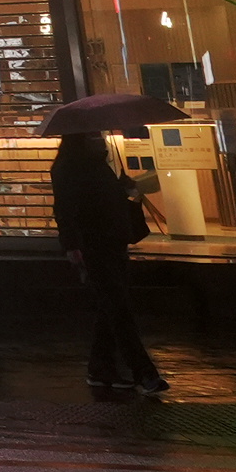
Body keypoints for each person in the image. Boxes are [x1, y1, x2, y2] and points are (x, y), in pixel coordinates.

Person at [53, 129, 165, 399]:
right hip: (93, 247)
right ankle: (143, 371)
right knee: (118, 308)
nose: (100, 139)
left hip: (113, 243)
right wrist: (72, 246)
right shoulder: (68, 167)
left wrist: (124, 188)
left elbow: (104, 201)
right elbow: (65, 209)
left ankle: (101, 368)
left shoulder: (97, 165)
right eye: (93, 136)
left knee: (111, 308)